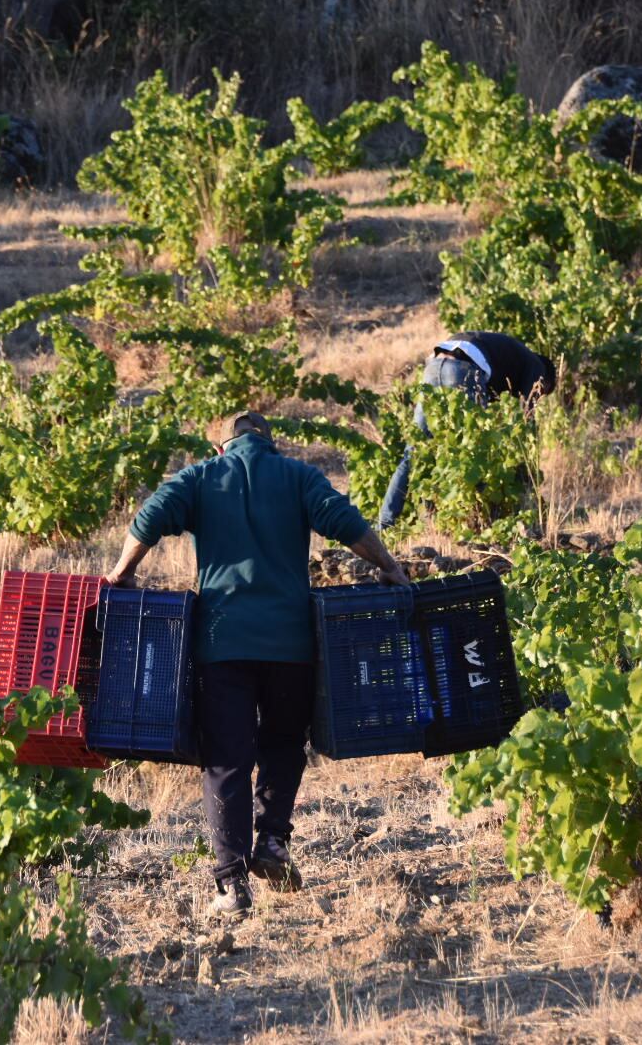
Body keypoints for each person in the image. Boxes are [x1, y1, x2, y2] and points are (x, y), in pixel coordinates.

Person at [105, 411, 410, 919]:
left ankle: (231, 886)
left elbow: (149, 517)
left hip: (222, 643)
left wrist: (121, 572)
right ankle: (271, 842)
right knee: (284, 744)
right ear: (269, 442)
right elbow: (348, 523)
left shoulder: (202, 476)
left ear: (222, 448)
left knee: (226, 759)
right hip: (290, 645)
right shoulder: (298, 476)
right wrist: (391, 567)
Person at [377, 330, 556, 529]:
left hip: (434, 365)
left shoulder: (510, 358)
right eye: (543, 392)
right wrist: (527, 460)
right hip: (462, 369)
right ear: (546, 381)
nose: (539, 395)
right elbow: (527, 419)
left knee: (414, 452)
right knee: (475, 451)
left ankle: (385, 523)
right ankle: (479, 523)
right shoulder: (537, 367)